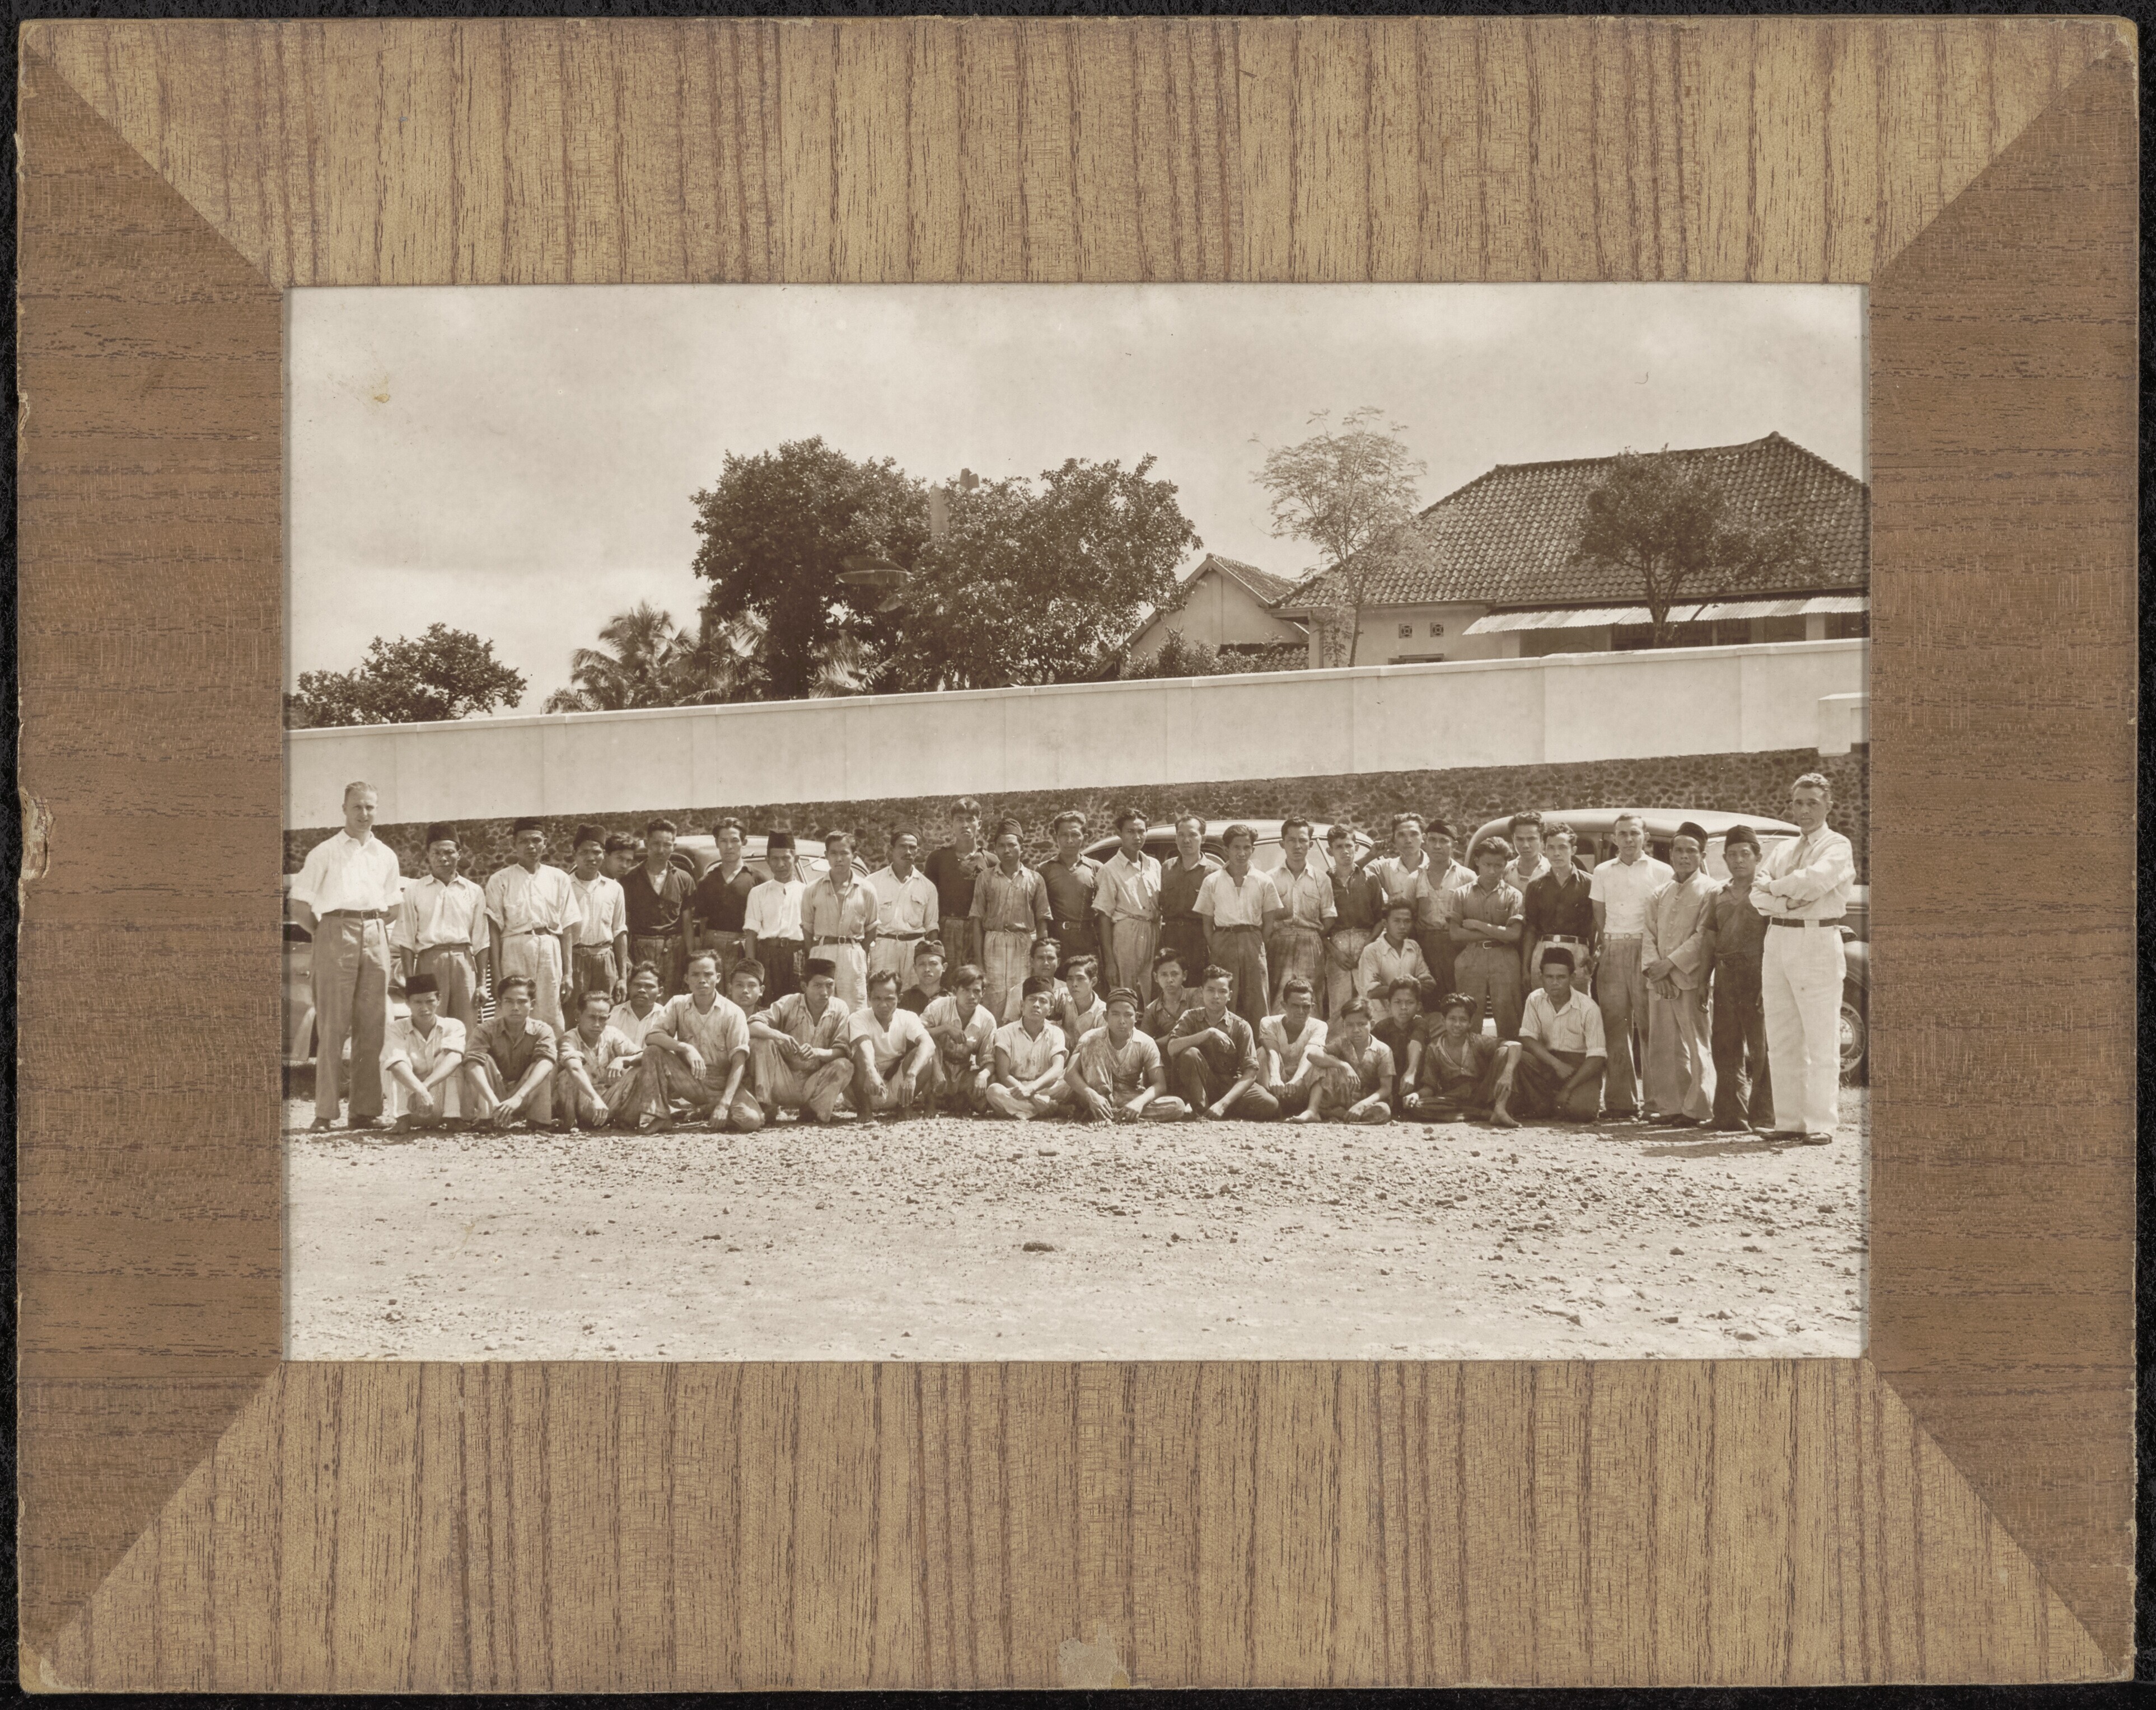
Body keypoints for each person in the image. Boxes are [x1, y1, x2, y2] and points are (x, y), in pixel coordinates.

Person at [289, 780, 403, 1130]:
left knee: (373, 1026)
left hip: (375, 933)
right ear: (344, 809)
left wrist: (371, 929)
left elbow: (394, 906)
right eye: (357, 807)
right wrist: (326, 934)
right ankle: (325, 1113)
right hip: (334, 930)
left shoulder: (386, 854)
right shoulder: (325, 852)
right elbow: (299, 905)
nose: (364, 814)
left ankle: (364, 1111)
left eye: (370, 807)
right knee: (332, 1026)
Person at [1748, 772, 1855, 1144]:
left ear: (1828, 806)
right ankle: (1789, 1120)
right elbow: (1755, 895)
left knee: (1820, 1036)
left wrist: (1774, 888)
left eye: (1812, 802)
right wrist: (1785, 901)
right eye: (1798, 803)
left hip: (1816, 937)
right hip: (1777, 937)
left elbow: (1813, 882)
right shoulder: (1782, 850)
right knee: (1781, 1035)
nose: (1804, 810)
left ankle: (1820, 1123)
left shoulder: (1836, 845)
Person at [1589, 811, 1672, 1120]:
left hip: (1646, 949)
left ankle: (1657, 1103)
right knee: (1615, 1026)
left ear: (1645, 837)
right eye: (1622, 834)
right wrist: (1609, 945)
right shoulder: (1602, 871)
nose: (1628, 839)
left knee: (1650, 1026)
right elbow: (1599, 914)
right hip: (1613, 947)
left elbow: (1664, 916)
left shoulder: (1662, 871)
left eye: (1634, 833)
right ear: (1614, 839)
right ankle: (1620, 1102)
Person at [1641, 821, 1719, 1126]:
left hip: (1690, 978)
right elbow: (1648, 933)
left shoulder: (1711, 890)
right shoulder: (1660, 892)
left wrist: (1670, 964)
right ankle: (1670, 1106)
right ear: (1671, 853)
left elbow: (1703, 936)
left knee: (1696, 1044)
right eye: (1679, 850)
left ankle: (1698, 1108)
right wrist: (1656, 972)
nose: (1684, 856)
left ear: (1702, 855)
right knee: (1664, 1044)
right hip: (1660, 982)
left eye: (1691, 851)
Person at [639, 949, 760, 1131]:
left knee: (752, 1120)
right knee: (653, 1052)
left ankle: (711, 1110)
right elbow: (652, 1037)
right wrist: (686, 1048)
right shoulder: (678, 1004)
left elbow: (739, 1062)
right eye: (695, 975)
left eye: (708, 974)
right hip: (690, 1080)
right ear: (686, 979)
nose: (702, 980)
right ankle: (660, 1115)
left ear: (718, 978)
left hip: (723, 1084)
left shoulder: (733, 1012)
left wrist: (724, 1104)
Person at [1704, 826, 1775, 1133]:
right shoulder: (1717, 894)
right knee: (1725, 1045)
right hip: (1725, 976)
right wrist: (1704, 981)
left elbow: (1775, 939)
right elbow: (1710, 939)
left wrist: (1769, 983)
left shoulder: (1767, 892)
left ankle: (1764, 1118)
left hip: (1757, 976)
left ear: (1758, 857)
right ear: (1724, 859)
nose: (1738, 860)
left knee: (1762, 1049)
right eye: (1732, 855)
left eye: (1745, 854)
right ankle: (1730, 1115)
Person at [391, 822, 489, 1033]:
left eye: (449, 852)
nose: (443, 858)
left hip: (464, 962)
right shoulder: (414, 890)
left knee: (466, 1027)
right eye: (436, 853)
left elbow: (482, 941)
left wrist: (481, 984)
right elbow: (406, 941)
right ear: (428, 855)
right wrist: (411, 983)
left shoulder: (473, 891)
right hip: (429, 962)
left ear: (459, 854)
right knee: (430, 1025)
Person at [484, 816, 579, 1033]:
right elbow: (494, 930)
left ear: (545, 842)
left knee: (550, 1013)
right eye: (524, 841)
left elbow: (567, 927)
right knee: (514, 1009)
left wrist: (568, 973)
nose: (531, 846)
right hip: (514, 949)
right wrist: (497, 975)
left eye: (536, 840)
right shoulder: (500, 879)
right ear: (514, 845)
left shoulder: (559, 878)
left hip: (549, 948)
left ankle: (551, 1053)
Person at [1195, 823, 1284, 1030]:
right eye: (1236, 847)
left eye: (1247, 848)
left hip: (1252, 939)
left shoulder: (1264, 881)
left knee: (1257, 997)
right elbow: (1207, 922)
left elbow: (1269, 921)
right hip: (1223, 939)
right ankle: (1222, 1041)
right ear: (1226, 849)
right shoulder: (1212, 881)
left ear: (1253, 849)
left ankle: (1259, 1044)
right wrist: (1217, 945)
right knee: (1223, 995)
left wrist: (1257, 942)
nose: (1242, 853)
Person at [1163, 965, 1278, 1121]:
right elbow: (1172, 1048)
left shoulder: (1241, 1026)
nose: (1216, 996)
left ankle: (1220, 1109)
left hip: (1230, 1086)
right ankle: (1202, 1111)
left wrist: (1224, 1104)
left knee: (1270, 1104)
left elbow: (1251, 1072)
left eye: (1222, 991)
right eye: (1210, 990)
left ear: (1230, 995)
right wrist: (1208, 1033)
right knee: (1190, 1054)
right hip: (1201, 1086)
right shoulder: (1190, 1017)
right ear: (1201, 992)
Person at [748, 957, 853, 1122]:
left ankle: (813, 1109)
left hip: (815, 1082)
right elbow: (752, 1025)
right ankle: (767, 1106)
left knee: (845, 1066)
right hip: (783, 1080)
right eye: (818, 986)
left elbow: (843, 1050)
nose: (825, 992)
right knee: (760, 1042)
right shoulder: (790, 1002)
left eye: (829, 985)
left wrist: (817, 1053)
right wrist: (778, 1036)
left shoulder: (840, 1008)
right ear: (805, 986)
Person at [1064, 988, 1187, 1123]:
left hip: (1127, 1096)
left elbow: (1160, 1084)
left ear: (1137, 1017)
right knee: (1093, 1042)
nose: (1122, 1021)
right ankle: (1109, 1113)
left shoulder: (1145, 1042)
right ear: (1106, 1016)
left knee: (1177, 1106)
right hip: (1094, 1095)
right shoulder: (1090, 1037)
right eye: (1116, 1014)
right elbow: (1070, 1074)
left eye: (1128, 1015)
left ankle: (1110, 1114)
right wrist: (1091, 1095)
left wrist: (1139, 1103)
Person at [1514, 948, 1608, 1121]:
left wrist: (1568, 1089)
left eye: (1561, 977)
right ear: (1541, 977)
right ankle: (1545, 1104)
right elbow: (1527, 1038)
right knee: (1517, 1057)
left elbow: (1597, 1058)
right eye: (1549, 977)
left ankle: (1557, 1100)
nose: (1555, 983)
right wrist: (1556, 1064)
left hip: (1579, 1069)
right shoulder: (1534, 999)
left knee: (1582, 1112)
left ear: (1572, 978)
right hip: (1549, 1062)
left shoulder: (1588, 1008)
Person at [972, 819, 1051, 1022]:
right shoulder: (986, 878)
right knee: (993, 997)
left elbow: (1042, 919)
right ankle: (992, 1039)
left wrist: (1040, 955)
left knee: (1021, 995)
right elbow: (977, 919)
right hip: (994, 943)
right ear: (995, 849)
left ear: (1021, 847)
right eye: (1001, 846)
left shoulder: (1035, 879)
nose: (1007, 850)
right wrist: (979, 961)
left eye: (1012, 845)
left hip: (1023, 943)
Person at [1449, 836, 1527, 1039]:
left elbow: (1514, 935)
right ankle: (1469, 1055)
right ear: (1477, 862)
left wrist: (1477, 925)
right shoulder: (1461, 894)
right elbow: (1455, 934)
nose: (1492, 871)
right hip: (1472, 957)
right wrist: (1498, 933)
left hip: (1504, 958)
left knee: (1509, 1014)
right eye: (1487, 865)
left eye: (1498, 866)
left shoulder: (1514, 895)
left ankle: (1510, 1055)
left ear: (1506, 865)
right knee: (1468, 1011)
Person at [1405, 993, 1522, 1127]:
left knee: (1503, 1052)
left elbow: (1516, 1045)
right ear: (1443, 1020)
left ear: (1470, 1023)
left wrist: (1508, 1073)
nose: (1457, 1024)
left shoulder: (1477, 1041)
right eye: (1452, 1019)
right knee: (1417, 1106)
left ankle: (1499, 1108)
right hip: (1454, 1100)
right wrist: (1417, 1095)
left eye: (1463, 1020)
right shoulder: (1434, 1049)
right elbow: (1430, 1086)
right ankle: (1485, 1114)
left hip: (1483, 1094)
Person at [459, 975, 558, 1129]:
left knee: (543, 1065)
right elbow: (471, 1064)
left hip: (525, 1095)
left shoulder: (542, 1030)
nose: (515, 1007)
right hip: (493, 1096)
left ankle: (538, 1121)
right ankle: (487, 1119)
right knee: (481, 1060)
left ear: (532, 1004)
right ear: (499, 1004)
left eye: (522, 1002)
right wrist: (492, 1101)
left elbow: (547, 1062)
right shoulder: (485, 1030)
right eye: (509, 1001)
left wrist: (518, 1097)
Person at [801, 827, 878, 1009]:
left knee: (854, 1007)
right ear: (826, 856)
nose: (839, 859)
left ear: (854, 856)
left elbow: (872, 928)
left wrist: (858, 952)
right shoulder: (812, 889)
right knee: (821, 1006)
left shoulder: (867, 889)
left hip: (852, 954)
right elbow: (807, 927)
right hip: (822, 952)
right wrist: (817, 952)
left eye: (844, 853)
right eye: (833, 853)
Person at [555, 987, 652, 1132]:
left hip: (609, 1103)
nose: (597, 1024)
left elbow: (647, 1055)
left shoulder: (612, 1034)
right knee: (567, 1075)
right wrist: (595, 1099)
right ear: (578, 1015)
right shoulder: (569, 1039)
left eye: (602, 1019)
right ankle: (570, 1125)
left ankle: (624, 1122)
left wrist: (624, 1060)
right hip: (585, 1105)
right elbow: (574, 1068)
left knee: (639, 1070)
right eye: (592, 1017)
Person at [1266, 817, 1336, 1014]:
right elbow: (1265, 917)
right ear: (1282, 843)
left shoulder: (1321, 878)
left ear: (1311, 844)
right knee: (1278, 998)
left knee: (1311, 999)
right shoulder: (1270, 878)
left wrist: (1312, 937)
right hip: (1279, 943)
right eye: (1291, 840)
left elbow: (1329, 917)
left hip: (1311, 943)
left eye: (1303, 840)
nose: (1297, 846)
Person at [382, 972, 466, 1133]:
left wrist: (424, 1088)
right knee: (392, 1062)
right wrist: (419, 1090)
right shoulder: (396, 1029)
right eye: (418, 1002)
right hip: (411, 1104)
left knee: (451, 1057)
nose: (424, 1008)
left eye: (430, 1001)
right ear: (407, 1002)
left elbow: (455, 1058)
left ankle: (453, 1118)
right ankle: (402, 1120)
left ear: (439, 1000)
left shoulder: (453, 1025)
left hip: (439, 1104)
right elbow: (396, 1064)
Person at [1092, 809, 1162, 1001]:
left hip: (1153, 930)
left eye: (1141, 831)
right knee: (1125, 993)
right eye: (1130, 832)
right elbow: (1104, 916)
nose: (1137, 837)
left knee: (1154, 991)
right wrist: (1110, 961)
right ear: (1119, 833)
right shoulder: (1109, 870)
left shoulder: (1154, 865)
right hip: (1126, 934)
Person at [624, 817, 696, 997]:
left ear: (674, 846)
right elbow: (625, 923)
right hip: (641, 949)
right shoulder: (629, 879)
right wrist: (625, 956)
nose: (661, 850)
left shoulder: (684, 878)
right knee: (643, 997)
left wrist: (690, 957)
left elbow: (687, 923)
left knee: (671, 998)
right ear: (646, 844)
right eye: (656, 844)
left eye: (667, 845)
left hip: (674, 950)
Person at [1521, 823, 1595, 997]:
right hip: (1544, 950)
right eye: (1551, 848)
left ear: (1573, 850)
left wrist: (1592, 956)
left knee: (1578, 1004)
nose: (1556, 853)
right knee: (1544, 1003)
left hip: (1578, 951)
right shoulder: (1535, 885)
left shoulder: (1590, 883)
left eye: (1562, 847)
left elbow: (1595, 925)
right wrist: (1525, 967)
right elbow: (1531, 929)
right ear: (1544, 850)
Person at [849, 971, 936, 1118]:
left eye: (889, 999)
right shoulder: (858, 1018)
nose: (883, 1005)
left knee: (925, 1057)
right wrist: (871, 1071)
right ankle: (864, 1110)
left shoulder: (908, 1017)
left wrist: (911, 1076)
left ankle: (903, 1106)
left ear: (899, 998)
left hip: (898, 1084)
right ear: (869, 998)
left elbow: (929, 1044)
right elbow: (864, 1045)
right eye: (877, 998)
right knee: (859, 1054)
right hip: (866, 1085)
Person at [1294, 999, 1395, 1125]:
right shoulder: (1341, 1043)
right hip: (1342, 1098)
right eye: (1350, 1025)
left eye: (1362, 1024)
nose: (1356, 1030)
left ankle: (1339, 1115)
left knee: (1384, 1110)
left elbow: (1386, 1088)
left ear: (1372, 1025)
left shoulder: (1383, 1050)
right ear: (1344, 1026)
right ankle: (1313, 1111)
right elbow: (1312, 1054)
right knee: (1322, 1062)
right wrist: (1344, 1065)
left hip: (1367, 1101)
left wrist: (1362, 1105)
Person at [986, 977, 1072, 1119]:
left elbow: (1057, 1069)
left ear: (1050, 1010)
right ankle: (1054, 1108)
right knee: (994, 1091)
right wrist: (1032, 1097)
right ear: (1022, 1005)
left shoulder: (1056, 1032)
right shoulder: (1005, 1033)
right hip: (1016, 1088)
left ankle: (1024, 1110)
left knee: (1070, 1081)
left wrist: (1032, 1090)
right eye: (1032, 999)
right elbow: (1003, 1074)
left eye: (1043, 1001)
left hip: (1045, 1087)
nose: (1036, 1005)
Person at [867, 830, 940, 992]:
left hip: (915, 949)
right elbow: (866, 925)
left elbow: (932, 927)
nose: (908, 852)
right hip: (883, 948)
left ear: (917, 851)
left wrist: (928, 957)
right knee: (883, 994)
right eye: (902, 847)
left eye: (912, 848)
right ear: (891, 850)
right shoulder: (872, 882)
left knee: (913, 996)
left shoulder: (927, 887)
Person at [689, 817, 759, 987]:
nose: (729, 846)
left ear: (744, 843)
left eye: (734, 840)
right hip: (713, 947)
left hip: (745, 947)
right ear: (717, 843)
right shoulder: (706, 881)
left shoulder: (757, 878)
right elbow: (702, 925)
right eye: (723, 841)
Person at [920, 964, 997, 1114]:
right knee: (925, 1048)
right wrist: (946, 1028)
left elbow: (989, 1057)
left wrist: (983, 1076)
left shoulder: (987, 1020)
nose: (971, 996)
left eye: (976, 991)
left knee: (992, 1079)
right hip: (937, 1069)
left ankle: (956, 1100)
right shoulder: (938, 1007)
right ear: (955, 991)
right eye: (966, 990)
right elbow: (917, 1034)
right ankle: (931, 1100)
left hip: (963, 1074)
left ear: (983, 993)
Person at [566, 822, 629, 1005]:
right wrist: (566, 973)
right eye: (584, 852)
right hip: (574, 961)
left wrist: (622, 977)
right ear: (574, 854)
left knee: (605, 1012)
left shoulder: (614, 888)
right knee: (573, 1013)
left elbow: (619, 932)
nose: (591, 858)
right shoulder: (564, 886)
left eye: (596, 852)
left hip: (605, 961)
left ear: (603, 854)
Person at [924, 799, 990, 973]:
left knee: (976, 978)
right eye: (960, 820)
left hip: (979, 931)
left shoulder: (990, 860)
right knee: (947, 979)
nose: (965, 825)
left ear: (979, 824)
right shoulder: (937, 858)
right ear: (952, 824)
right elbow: (929, 902)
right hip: (947, 930)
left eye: (970, 819)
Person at [742, 832, 808, 1001]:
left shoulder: (807, 892)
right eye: (775, 859)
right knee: (767, 1005)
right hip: (767, 957)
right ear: (768, 861)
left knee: (796, 1004)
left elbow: (811, 934)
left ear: (796, 859)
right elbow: (751, 935)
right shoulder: (758, 893)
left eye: (786, 858)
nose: (781, 864)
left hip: (797, 957)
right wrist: (751, 971)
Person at [1418, 818, 1479, 1000]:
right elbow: (1408, 913)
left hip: (1458, 946)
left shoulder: (1467, 877)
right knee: (1431, 997)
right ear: (1425, 842)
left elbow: (1476, 914)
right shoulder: (1415, 878)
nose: (1437, 846)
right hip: (1426, 946)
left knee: (1459, 996)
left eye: (1444, 841)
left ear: (1454, 845)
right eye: (1432, 840)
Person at [1323, 824, 1379, 1020]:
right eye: (1339, 847)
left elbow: (1381, 920)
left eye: (1349, 845)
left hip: (1367, 945)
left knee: (1370, 1003)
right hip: (1337, 948)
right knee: (1339, 1007)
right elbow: (1320, 926)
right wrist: (1335, 953)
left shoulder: (1370, 879)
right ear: (1330, 851)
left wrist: (1368, 945)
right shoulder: (1324, 881)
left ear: (1356, 847)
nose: (1345, 851)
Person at [1156, 814, 1217, 985]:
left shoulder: (1214, 872)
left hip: (1199, 940)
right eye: (1181, 835)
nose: (1186, 840)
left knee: (1197, 987)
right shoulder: (1167, 868)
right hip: (1170, 939)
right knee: (1170, 987)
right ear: (1175, 839)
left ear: (1203, 838)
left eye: (1192, 835)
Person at [1038, 811, 1102, 970]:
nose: (1069, 840)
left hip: (1086, 940)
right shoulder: (1044, 870)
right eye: (1064, 835)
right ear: (1056, 838)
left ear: (1085, 838)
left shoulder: (1095, 868)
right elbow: (1041, 913)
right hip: (1057, 941)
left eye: (1075, 835)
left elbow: (1103, 912)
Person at [1257, 977, 1327, 1117]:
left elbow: (1310, 1053)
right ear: (1284, 1005)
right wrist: (1275, 1077)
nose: (1301, 1011)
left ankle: (1312, 1110)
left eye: (1306, 1007)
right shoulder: (1269, 1022)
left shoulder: (1319, 1026)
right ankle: (1270, 1104)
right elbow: (1272, 1052)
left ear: (1313, 1007)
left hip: (1302, 1085)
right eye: (1295, 1006)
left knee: (1320, 1056)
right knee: (1262, 1052)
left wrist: (1297, 1078)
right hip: (1277, 1084)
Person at [1357, 899, 1434, 1005]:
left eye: (1407, 921)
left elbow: (1429, 984)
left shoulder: (1414, 946)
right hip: (1381, 1013)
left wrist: (1389, 986)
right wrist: (1413, 984)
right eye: (1397, 921)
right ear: (1385, 923)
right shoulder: (1372, 951)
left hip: (1409, 1012)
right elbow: (1372, 992)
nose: (1402, 926)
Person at [1369, 978, 1429, 1109]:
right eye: (1397, 1002)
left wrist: (1411, 1073)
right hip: (1387, 1087)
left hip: (1413, 1085)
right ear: (1389, 1005)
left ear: (1418, 1006)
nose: (1404, 1008)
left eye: (1410, 1002)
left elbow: (1416, 1043)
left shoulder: (1420, 1023)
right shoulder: (1381, 1028)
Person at [1001, 936, 1069, 1024]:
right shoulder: (1018, 991)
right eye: (1041, 958)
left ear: (1058, 962)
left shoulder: (1067, 990)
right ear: (1032, 962)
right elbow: (1010, 1026)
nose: (1046, 963)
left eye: (1050, 958)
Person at [607, 962, 668, 1051]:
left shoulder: (666, 1018)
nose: (642, 990)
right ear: (629, 987)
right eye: (637, 985)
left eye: (649, 986)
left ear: (660, 992)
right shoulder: (613, 1014)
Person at [1140, 949, 1193, 1041]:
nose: (1170, 980)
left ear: (1184, 975)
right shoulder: (1152, 1010)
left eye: (1175, 974)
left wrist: (1159, 1042)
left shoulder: (1195, 996)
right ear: (1156, 977)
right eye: (1164, 975)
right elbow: (1144, 1043)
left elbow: (1199, 1031)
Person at [1059, 956, 1107, 1043]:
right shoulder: (1062, 996)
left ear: (1093, 982)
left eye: (1080, 978)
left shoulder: (1103, 1012)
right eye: (1070, 979)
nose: (1074, 984)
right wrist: (1059, 1031)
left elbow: (1101, 1047)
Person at [1503, 812, 1551, 894]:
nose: (1525, 845)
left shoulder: (1552, 870)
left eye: (1531, 839)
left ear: (1541, 839)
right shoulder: (1504, 871)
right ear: (1513, 839)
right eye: (1520, 839)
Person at [899, 940, 947, 1013]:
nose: (927, 969)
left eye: (933, 964)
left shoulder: (951, 1000)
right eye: (922, 964)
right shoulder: (903, 999)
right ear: (915, 968)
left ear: (944, 967)